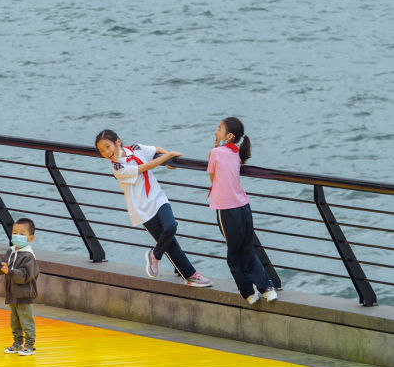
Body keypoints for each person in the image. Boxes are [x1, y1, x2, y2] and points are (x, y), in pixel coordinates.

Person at [95, 129, 212, 286]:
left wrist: (168, 161)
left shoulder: (135, 148)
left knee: (171, 226)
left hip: (157, 197)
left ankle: (154, 255)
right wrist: (169, 156)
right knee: (170, 244)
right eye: (102, 151)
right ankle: (191, 276)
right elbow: (145, 167)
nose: (106, 152)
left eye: (108, 146)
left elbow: (155, 150)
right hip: (142, 209)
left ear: (118, 141)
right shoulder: (117, 168)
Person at [207, 116, 277, 304]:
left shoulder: (216, 152)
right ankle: (267, 288)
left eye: (219, 129)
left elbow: (212, 178)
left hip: (226, 208)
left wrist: (215, 147)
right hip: (243, 206)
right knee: (247, 249)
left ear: (228, 135)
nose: (216, 131)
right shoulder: (237, 152)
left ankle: (248, 293)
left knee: (233, 254)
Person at [0, 217, 39, 356]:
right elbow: (1, 270)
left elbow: (23, 276)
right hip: (12, 294)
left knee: (26, 321)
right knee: (15, 321)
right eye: (15, 232)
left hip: (24, 294)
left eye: (22, 234)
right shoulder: (10, 252)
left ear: (30, 238)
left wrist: (9, 271)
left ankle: (29, 345)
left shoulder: (28, 256)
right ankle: (17, 343)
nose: (17, 236)